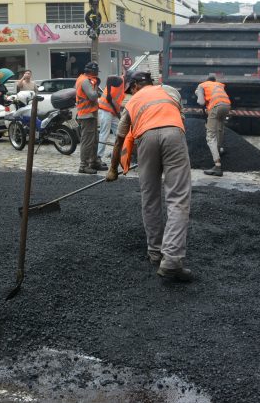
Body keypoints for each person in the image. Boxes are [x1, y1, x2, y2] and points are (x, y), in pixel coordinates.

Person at [105, 70, 193, 282]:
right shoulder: (169, 91)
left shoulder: (133, 102)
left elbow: (120, 140)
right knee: (178, 198)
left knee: (150, 197)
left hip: (145, 139)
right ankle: (171, 258)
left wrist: (113, 169)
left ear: (134, 86)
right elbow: (179, 116)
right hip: (174, 135)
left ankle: (155, 252)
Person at [196, 75, 231, 177]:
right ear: (215, 81)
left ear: (206, 81)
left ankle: (217, 166)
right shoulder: (219, 85)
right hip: (227, 105)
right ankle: (219, 149)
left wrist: (198, 93)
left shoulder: (202, 85)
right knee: (220, 129)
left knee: (210, 136)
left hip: (216, 105)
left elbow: (201, 102)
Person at [76, 61, 104, 174]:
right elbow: (92, 96)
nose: (97, 74)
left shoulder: (86, 79)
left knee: (94, 140)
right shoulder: (85, 81)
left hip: (90, 114)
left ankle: (93, 162)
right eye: (96, 72)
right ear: (92, 71)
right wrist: (97, 90)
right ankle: (83, 166)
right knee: (87, 142)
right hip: (86, 115)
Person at [97, 75, 126, 162]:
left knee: (119, 133)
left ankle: (117, 154)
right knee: (104, 134)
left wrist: (119, 115)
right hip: (105, 111)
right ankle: (98, 156)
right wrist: (108, 93)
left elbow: (116, 101)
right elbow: (109, 78)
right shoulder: (120, 80)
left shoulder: (125, 85)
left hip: (113, 112)